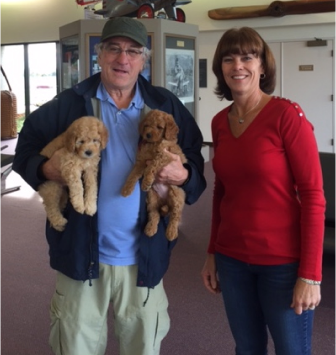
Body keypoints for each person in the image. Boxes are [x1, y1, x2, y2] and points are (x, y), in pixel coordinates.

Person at [13, 17, 206, 355]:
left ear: (143, 59)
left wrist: (185, 176)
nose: (123, 59)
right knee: (75, 346)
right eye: (114, 49)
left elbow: (195, 162)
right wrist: (45, 168)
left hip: (144, 257)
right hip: (80, 253)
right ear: (99, 55)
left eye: (133, 51)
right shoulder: (69, 103)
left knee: (142, 346)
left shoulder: (164, 104)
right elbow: (25, 149)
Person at [201, 27, 325, 355]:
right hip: (232, 260)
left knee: (292, 349)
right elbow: (221, 191)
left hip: (282, 263)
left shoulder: (287, 116)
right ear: (220, 68)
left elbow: (314, 196)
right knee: (248, 347)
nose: (237, 65)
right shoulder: (218, 122)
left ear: (263, 66)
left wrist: (311, 275)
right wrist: (212, 252)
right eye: (228, 58)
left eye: (247, 56)